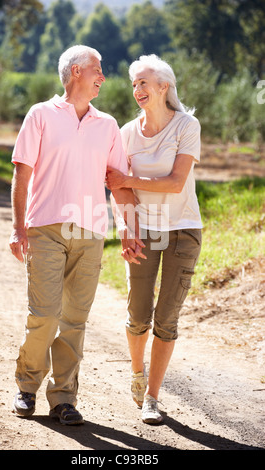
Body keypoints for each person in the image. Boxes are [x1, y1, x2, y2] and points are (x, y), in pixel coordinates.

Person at [9, 45, 144, 425]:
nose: (102, 76)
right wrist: (18, 227)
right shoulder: (41, 115)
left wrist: (129, 230)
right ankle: (27, 385)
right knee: (46, 315)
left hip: (90, 233)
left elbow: (118, 185)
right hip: (46, 228)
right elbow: (23, 174)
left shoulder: (108, 126)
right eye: (96, 70)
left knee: (74, 320)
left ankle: (64, 398)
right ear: (74, 74)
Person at [106, 54, 202, 424]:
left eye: (143, 82)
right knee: (137, 314)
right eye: (134, 84)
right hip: (144, 229)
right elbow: (118, 191)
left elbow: (176, 182)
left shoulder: (186, 125)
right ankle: (136, 370)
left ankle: (152, 397)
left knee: (167, 318)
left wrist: (129, 180)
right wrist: (125, 228)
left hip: (183, 229)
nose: (137, 89)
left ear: (164, 86)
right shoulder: (126, 134)